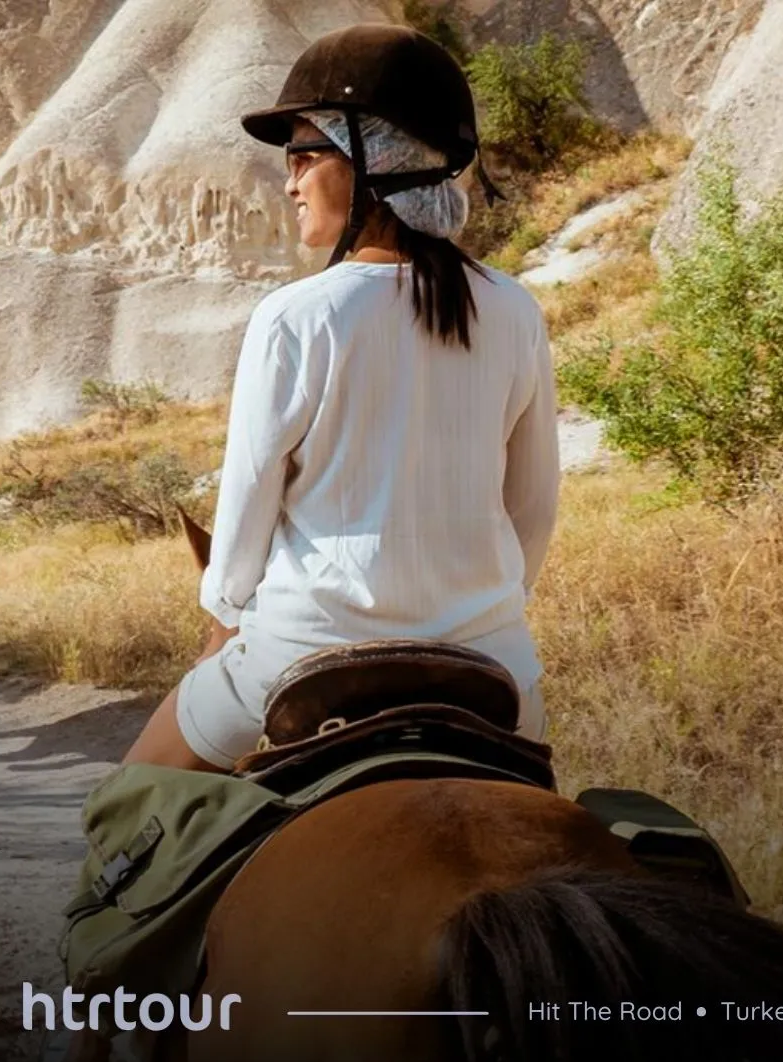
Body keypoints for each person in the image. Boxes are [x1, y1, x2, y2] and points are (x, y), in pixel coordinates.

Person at [121, 23, 561, 773]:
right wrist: (468, 609)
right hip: (492, 668)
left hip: (306, 655)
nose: (289, 182)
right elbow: (534, 506)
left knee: (124, 817)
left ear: (373, 161)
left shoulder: (297, 317)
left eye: (304, 154)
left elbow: (246, 516)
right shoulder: (514, 309)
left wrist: (221, 629)